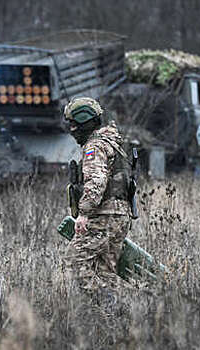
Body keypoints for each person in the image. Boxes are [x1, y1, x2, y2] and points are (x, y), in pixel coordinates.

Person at [63, 97, 133, 293]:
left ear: (84, 123)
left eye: (74, 125)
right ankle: (112, 317)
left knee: (74, 263)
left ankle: (109, 303)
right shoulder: (111, 143)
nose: (72, 130)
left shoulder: (95, 146)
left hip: (104, 215)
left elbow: (97, 181)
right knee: (105, 272)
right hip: (118, 216)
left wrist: (84, 213)